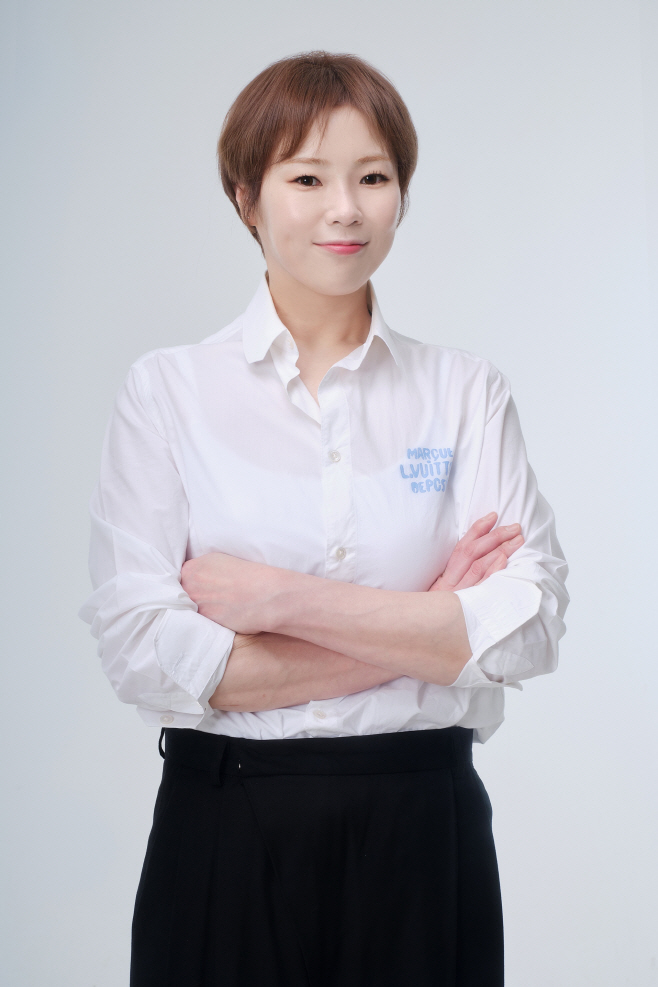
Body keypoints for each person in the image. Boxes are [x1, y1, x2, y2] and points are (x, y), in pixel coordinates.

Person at [79, 51, 569, 987]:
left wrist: (280, 600)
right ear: (246, 197)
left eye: (373, 178)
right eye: (307, 179)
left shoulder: (465, 391)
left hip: (424, 824)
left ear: (401, 193)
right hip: (225, 823)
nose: (345, 209)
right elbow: (146, 652)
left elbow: (530, 627)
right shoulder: (168, 391)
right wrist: (429, 624)